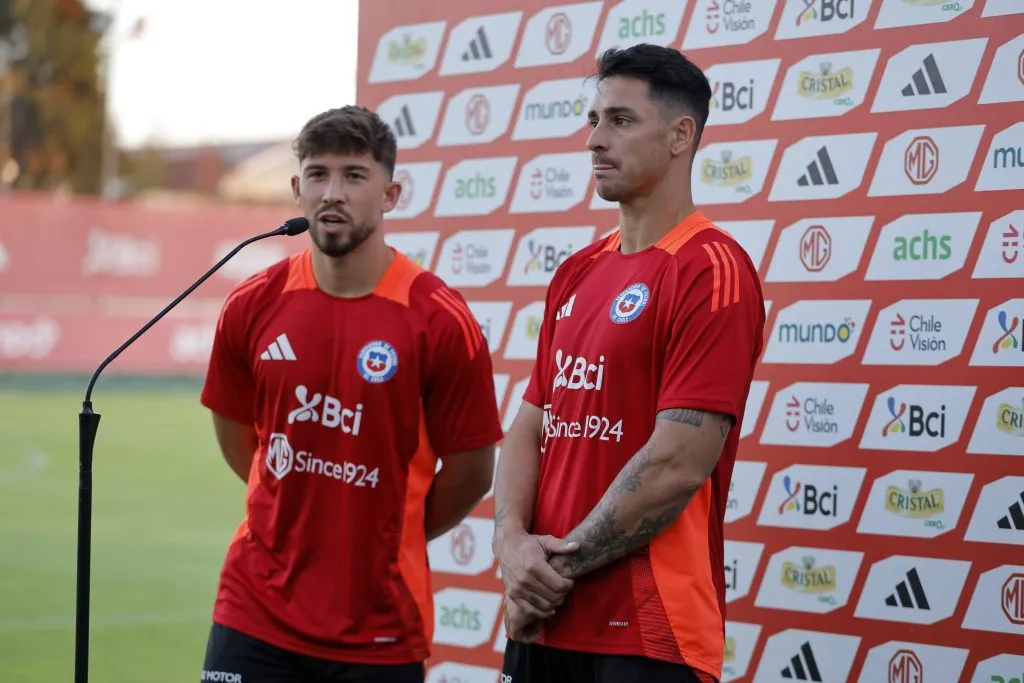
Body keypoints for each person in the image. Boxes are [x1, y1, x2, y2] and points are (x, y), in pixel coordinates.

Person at [198, 105, 504, 683]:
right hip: (254, 609)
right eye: (317, 175)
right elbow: (239, 437)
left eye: (353, 176)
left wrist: (385, 526)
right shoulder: (252, 303)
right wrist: (296, 506)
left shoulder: (438, 319)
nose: (332, 193)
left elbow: (470, 471)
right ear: (297, 189)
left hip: (379, 626)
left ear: (390, 194)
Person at [492, 43, 766, 683]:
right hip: (545, 618)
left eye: (619, 120)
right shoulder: (577, 272)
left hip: (647, 631)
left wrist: (547, 572)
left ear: (680, 135)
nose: (594, 139)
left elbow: (676, 463)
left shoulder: (712, 268)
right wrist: (510, 546)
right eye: (593, 120)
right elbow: (532, 426)